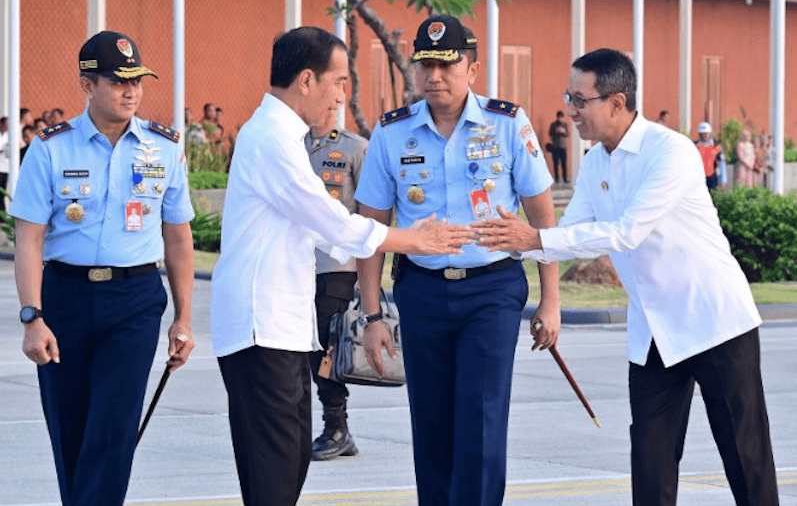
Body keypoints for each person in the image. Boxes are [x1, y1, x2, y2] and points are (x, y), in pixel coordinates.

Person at [473, 48, 779, 506]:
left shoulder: (671, 152)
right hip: (654, 331)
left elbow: (626, 233)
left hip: (715, 321)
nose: (571, 110)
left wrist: (534, 238)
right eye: (568, 97)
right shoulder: (596, 162)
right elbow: (569, 234)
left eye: (580, 99)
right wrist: (514, 240)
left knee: (744, 456)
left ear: (617, 102)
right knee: (650, 464)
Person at [209, 26, 473, 506]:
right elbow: (329, 219)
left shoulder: (284, 134)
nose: (342, 95)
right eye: (338, 81)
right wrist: (411, 240)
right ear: (306, 80)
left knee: (289, 465)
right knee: (274, 472)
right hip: (258, 326)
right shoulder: (270, 136)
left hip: (280, 325)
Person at [355, 15, 561, 506]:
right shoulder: (391, 133)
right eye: (426, 65)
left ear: (473, 67)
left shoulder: (509, 124)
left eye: (448, 65)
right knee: (431, 419)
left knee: (482, 416)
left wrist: (551, 301)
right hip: (422, 292)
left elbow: (543, 220)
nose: (435, 76)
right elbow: (370, 231)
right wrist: (372, 314)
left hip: (491, 290)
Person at [10, 30, 196, 506]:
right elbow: (28, 239)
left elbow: (177, 236)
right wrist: (33, 317)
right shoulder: (50, 149)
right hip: (65, 300)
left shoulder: (164, 148)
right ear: (87, 85)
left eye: (137, 80)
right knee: (70, 430)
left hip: (133, 301)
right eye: (117, 81)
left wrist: (184, 318)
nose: (130, 90)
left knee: (113, 430)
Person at [305, 113, 368, 461]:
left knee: (328, 346)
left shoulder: (355, 148)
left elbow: (370, 210)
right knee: (298, 348)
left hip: (337, 265)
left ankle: (337, 427)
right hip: (295, 263)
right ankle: (304, 425)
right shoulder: (292, 145)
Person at [695, 121, 723, 189]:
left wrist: (722, 180)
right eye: (702, 133)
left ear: (710, 133)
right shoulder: (695, 146)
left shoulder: (716, 146)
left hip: (712, 176)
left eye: (706, 133)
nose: (704, 135)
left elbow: (721, 163)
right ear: (699, 134)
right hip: (699, 176)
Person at [548, 110, 570, 183]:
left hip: (563, 146)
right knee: (556, 163)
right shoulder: (553, 125)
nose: (560, 118)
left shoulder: (565, 125)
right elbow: (550, 133)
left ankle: (565, 178)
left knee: (564, 163)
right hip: (555, 146)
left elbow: (568, 133)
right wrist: (556, 131)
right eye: (559, 117)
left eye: (561, 117)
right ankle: (557, 178)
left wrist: (563, 132)